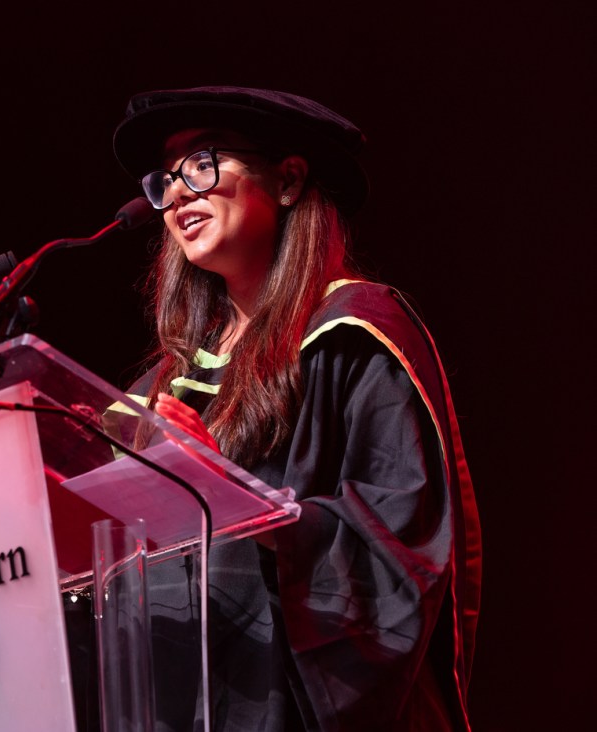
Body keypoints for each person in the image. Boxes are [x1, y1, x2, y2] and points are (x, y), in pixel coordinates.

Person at [107, 86, 482, 731]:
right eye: (166, 179)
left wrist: (229, 495)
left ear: (287, 180)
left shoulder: (356, 335)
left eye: (202, 163)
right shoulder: (158, 387)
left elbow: (397, 549)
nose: (178, 195)